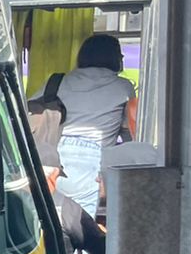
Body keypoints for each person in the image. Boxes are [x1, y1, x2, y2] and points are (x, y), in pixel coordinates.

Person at [42, 32, 136, 214]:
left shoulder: (58, 81)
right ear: (114, 57)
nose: (123, 57)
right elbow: (130, 130)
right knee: (82, 226)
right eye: (120, 53)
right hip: (93, 158)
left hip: (55, 155)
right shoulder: (123, 86)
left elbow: (30, 110)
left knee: (51, 222)